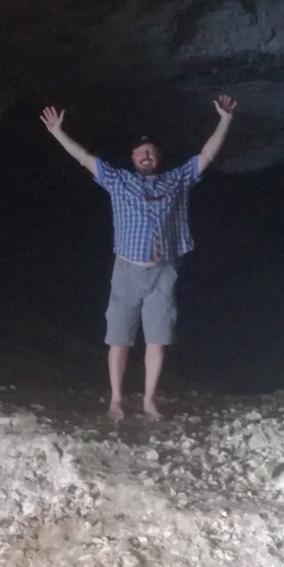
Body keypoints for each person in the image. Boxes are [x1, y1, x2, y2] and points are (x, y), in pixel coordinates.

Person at [39, 95, 238, 420]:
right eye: (140, 151)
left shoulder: (177, 180)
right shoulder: (119, 182)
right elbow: (85, 158)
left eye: (151, 151)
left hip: (163, 271)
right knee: (119, 339)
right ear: (133, 157)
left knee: (157, 340)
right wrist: (57, 132)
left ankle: (148, 401)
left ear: (158, 156)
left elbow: (208, 154)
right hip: (127, 270)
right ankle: (116, 399)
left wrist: (225, 120)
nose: (146, 155)